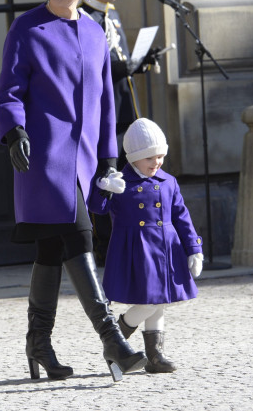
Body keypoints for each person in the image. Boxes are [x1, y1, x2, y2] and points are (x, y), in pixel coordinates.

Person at [0, 0, 147, 382]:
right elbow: (9, 90)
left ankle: (38, 344)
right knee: (79, 238)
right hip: (43, 158)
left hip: (84, 162)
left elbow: (104, 103)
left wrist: (109, 158)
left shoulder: (96, 33)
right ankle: (112, 341)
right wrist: (14, 132)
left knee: (51, 248)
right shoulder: (27, 27)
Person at [87, 118, 205, 373]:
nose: (157, 162)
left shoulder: (168, 181)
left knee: (159, 301)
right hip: (136, 250)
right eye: (150, 157)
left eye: (160, 156)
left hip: (166, 249)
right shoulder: (121, 182)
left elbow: (181, 216)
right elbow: (98, 208)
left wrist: (194, 248)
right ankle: (116, 341)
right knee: (150, 301)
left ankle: (155, 356)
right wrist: (103, 188)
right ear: (133, 158)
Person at [80, 0, 160, 266]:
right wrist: (127, 66)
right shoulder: (84, 16)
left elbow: (118, 64)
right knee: (105, 181)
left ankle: (129, 243)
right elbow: (93, 70)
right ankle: (105, 248)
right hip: (100, 115)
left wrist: (138, 65)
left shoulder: (110, 15)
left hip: (123, 110)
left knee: (128, 179)